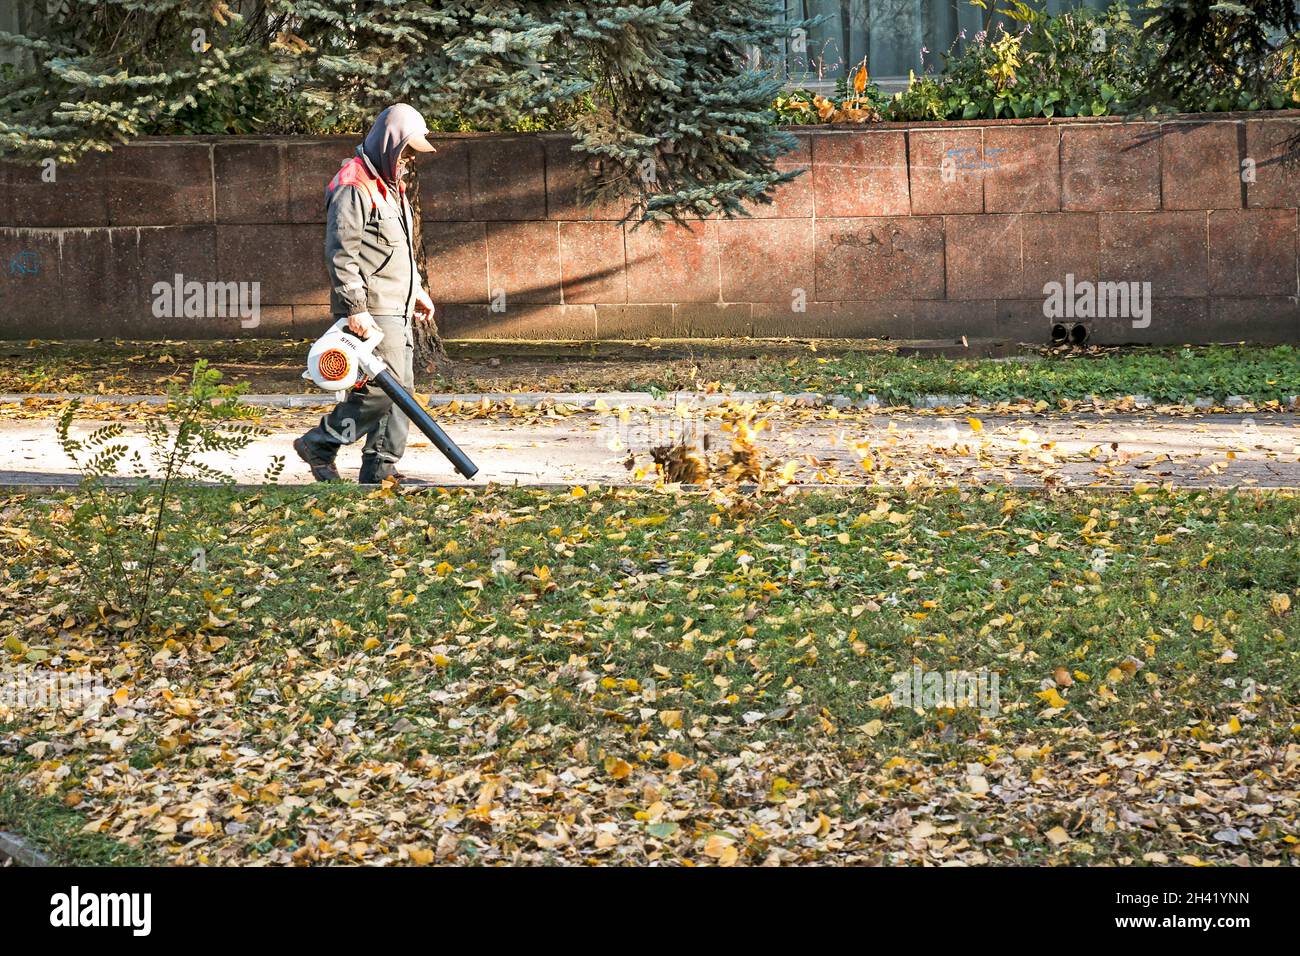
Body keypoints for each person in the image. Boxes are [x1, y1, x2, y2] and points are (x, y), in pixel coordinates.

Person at [293, 103, 438, 483]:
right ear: (390, 143)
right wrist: (355, 308)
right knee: (380, 391)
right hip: (373, 308)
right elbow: (341, 252)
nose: (409, 160)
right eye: (406, 150)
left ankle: (381, 467)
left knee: (401, 390)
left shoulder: (389, 185)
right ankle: (321, 442)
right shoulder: (353, 183)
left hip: (397, 305)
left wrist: (417, 290)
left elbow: (398, 248)